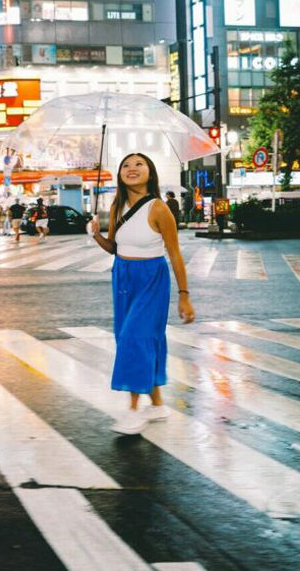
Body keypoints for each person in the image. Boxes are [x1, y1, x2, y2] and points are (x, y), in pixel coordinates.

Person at [89, 153, 196, 435]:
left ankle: (134, 410)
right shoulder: (117, 206)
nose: (132, 169)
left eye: (139, 164)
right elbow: (114, 247)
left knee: (134, 338)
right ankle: (158, 404)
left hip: (152, 278)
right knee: (138, 337)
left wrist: (184, 295)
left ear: (151, 172)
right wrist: (96, 235)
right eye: (126, 165)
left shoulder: (159, 209)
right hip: (122, 276)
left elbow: (174, 254)